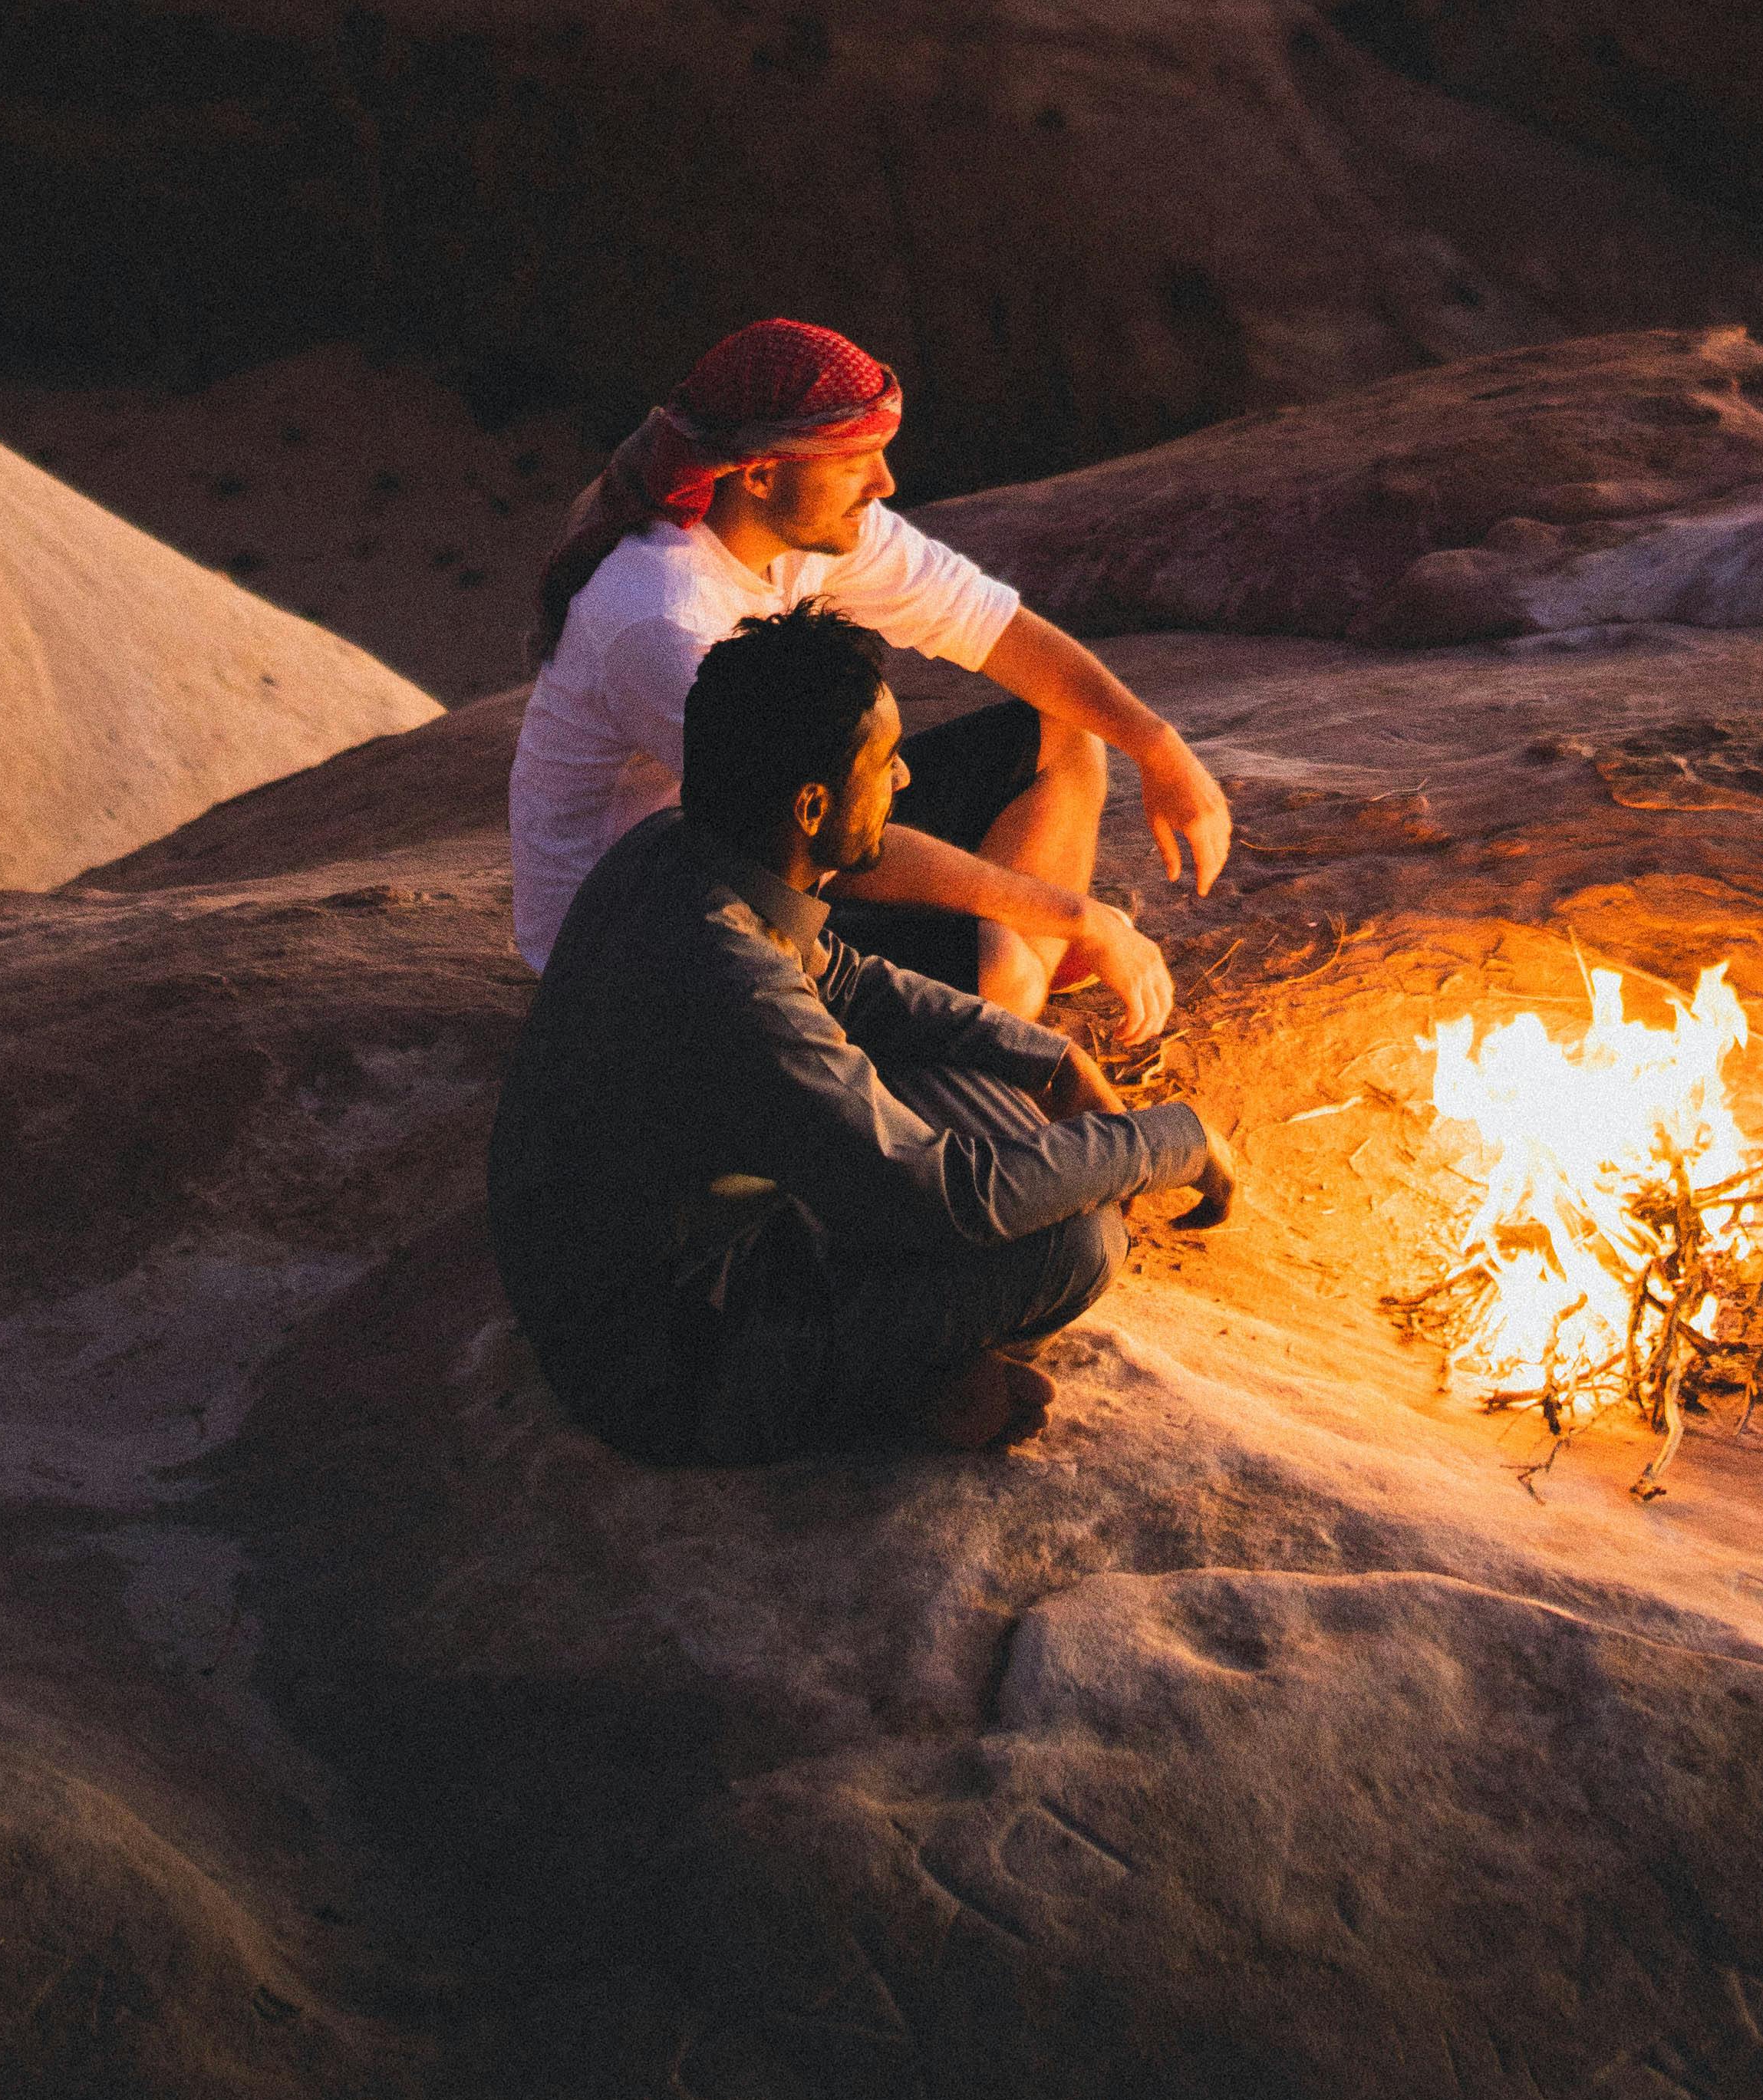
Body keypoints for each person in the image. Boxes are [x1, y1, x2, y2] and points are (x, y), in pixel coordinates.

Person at [488, 604, 1238, 1462]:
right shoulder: (732, 981)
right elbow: (945, 1198)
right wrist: (1163, 1140)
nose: (905, 781)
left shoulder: (675, 850)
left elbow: (850, 980)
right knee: (1074, 1240)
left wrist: (1050, 1055)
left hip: (655, 1249)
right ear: (812, 805)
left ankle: (921, 1361)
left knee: (979, 1100)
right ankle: (895, 1393)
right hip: (676, 1365)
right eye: (884, 764)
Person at [508, 318, 1232, 1040]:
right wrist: (1075, 914)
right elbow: (811, 831)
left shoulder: (805, 527)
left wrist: (1157, 743)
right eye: (856, 462)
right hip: (651, 930)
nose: (883, 482)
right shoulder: (661, 619)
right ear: (759, 472)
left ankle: (996, 987)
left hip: (766, 849)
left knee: (1066, 735)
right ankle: (1002, 1002)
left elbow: (995, 629)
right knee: (1004, 973)